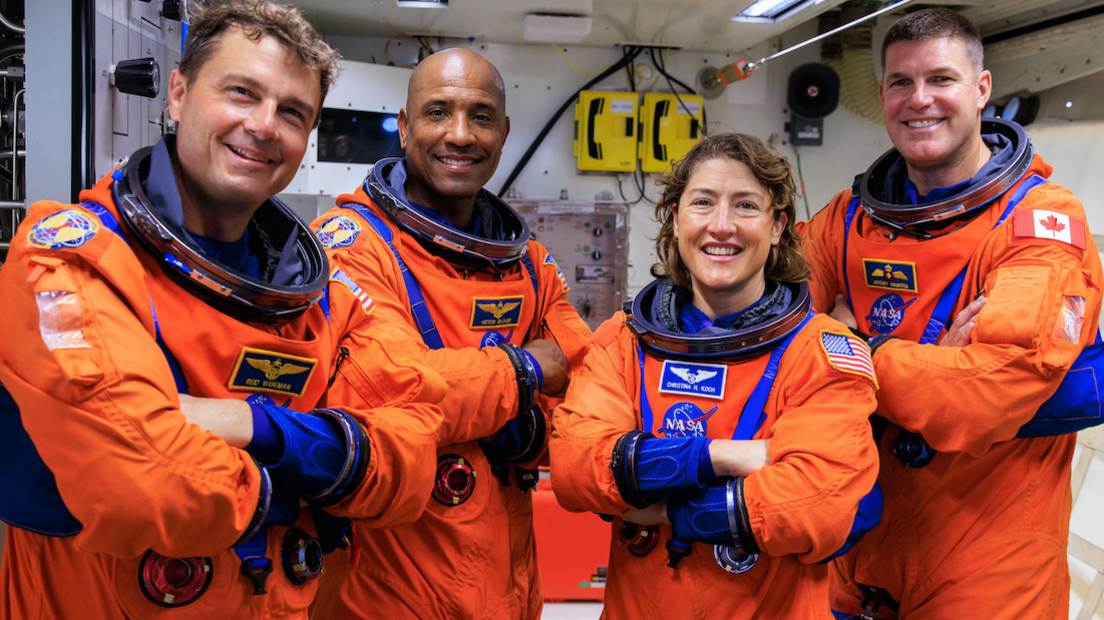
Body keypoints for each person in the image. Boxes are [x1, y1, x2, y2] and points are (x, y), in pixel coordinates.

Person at [0, 2, 445, 618]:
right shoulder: (72, 258)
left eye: (292, 112)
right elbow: (142, 483)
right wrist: (318, 471)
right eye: (241, 92)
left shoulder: (327, 296)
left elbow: (413, 459)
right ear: (179, 93)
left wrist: (252, 427)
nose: (264, 125)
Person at [799, 8, 1103, 619]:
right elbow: (768, 344)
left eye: (941, 79)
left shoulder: (1040, 225)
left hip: (987, 567)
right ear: (882, 93)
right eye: (902, 83)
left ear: (982, 89)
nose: (920, 101)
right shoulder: (846, 219)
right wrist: (937, 365)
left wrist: (850, 343)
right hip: (854, 556)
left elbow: (984, 395)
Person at [309, 48, 592, 620]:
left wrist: (527, 428)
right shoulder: (350, 247)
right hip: (383, 593)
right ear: (406, 124)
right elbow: (395, 393)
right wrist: (526, 371)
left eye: (481, 116)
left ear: (504, 132)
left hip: (509, 589)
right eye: (438, 112)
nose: (460, 134)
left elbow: (589, 401)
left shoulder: (530, 265)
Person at [549, 133, 882, 619]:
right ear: (676, 217)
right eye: (703, 203)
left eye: (746, 205)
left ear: (776, 226)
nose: (721, 226)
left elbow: (818, 507)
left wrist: (663, 509)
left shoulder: (822, 351)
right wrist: (729, 457)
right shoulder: (624, 340)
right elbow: (576, 469)